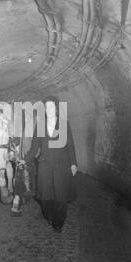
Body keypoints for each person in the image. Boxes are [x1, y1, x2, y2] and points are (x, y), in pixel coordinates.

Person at [25, 95, 78, 233]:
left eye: (51, 106)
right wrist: (25, 160)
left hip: (62, 165)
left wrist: (73, 163)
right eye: (46, 107)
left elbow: (70, 145)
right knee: (44, 196)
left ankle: (59, 222)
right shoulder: (41, 125)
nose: (48, 109)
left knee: (61, 197)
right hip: (44, 165)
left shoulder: (64, 124)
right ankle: (48, 214)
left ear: (56, 108)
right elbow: (34, 146)